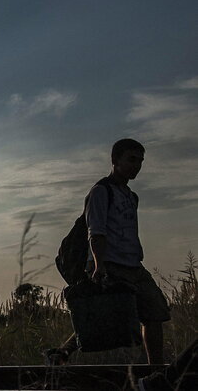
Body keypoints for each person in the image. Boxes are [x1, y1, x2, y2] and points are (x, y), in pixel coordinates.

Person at [45, 139, 170, 366]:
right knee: (108, 315)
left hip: (133, 264)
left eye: (140, 161)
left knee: (154, 312)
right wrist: (98, 264)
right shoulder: (101, 192)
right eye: (131, 160)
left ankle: (157, 370)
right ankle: (62, 354)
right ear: (115, 161)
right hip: (110, 264)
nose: (137, 166)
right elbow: (96, 231)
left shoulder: (131, 197)